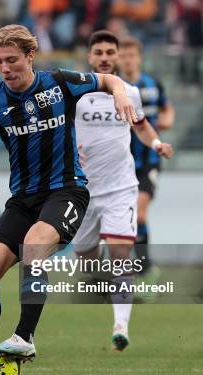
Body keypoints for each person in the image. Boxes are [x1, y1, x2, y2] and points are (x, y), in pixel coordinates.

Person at [0, 24, 139, 375]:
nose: (5, 68)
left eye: (11, 60)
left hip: (67, 192)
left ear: (29, 56)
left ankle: (25, 337)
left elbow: (109, 80)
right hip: (22, 200)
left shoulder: (61, 83)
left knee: (35, 247)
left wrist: (120, 94)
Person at [73, 30, 173, 352]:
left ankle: (121, 326)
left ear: (117, 56)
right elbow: (59, 131)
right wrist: (71, 148)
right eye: (98, 52)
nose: (104, 57)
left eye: (109, 52)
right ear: (90, 57)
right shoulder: (75, 93)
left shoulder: (129, 91)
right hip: (84, 193)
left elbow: (141, 126)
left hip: (120, 188)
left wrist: (157, 142)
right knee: (87, 264)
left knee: (120, 255)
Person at [118, 36, 174, 284]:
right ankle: (136, 266)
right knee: (124, 218)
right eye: (124, 56)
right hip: (119, 162)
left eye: (132, 55)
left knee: (139, 213)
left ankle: (144, 265)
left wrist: (168, 120)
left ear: (139, 58)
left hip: (148, 159)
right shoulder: (114, 87)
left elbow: (166, 107)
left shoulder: (153, 84)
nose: (128, 60)